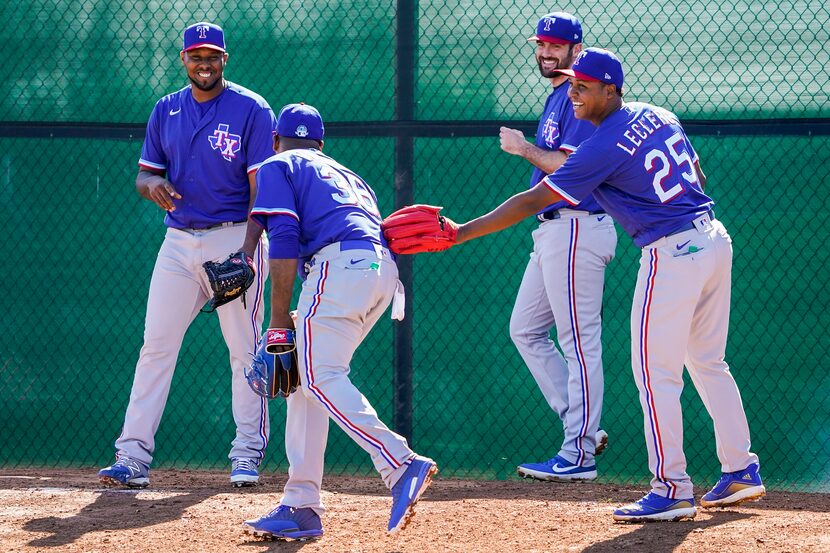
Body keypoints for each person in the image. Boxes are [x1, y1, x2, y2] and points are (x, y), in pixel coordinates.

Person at [400, 48, 765, 521]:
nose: (572, 92)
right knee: (709, 363)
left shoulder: (601, 146)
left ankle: (672, 487)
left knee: (656, 376)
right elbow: (696, 173)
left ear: (610, 90)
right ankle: (740, 469)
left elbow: (534, 198)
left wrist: (461, 232)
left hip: (672, 252)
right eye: (571, 83)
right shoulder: (658, 113)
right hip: (713, 239)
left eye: (584, 86)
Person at [239, 104, 437, 540]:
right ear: (321, 144)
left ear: (275, 139)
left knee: (317, 376)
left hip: (338, 268)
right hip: (379, 273)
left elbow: (285, 241)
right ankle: (301, 506)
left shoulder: (278, 163)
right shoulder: (350, 176)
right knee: (308, 385)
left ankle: (400, 463)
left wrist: (277, 320)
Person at [98, 22, 276, 488]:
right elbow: (144, 175)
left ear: (225, 59)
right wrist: (151, 185)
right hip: (178, 242)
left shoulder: (251, 109)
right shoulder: (166, 109)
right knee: (155, 347)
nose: (204, 63)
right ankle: (132, 457)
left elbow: (263, 190)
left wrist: (248, 253)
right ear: (183, 60)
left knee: (244, 352)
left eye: (212, 55)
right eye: (196, 55)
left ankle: (246, 455)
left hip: (233, 235)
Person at [500, 12, 616, 482]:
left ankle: (579, 453)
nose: (546, 52)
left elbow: (566, 170)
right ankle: (582, 424)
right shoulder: (559, 96)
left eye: (556, 45)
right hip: (553, 230)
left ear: (576, 49)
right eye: (541, 44)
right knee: (524, 329)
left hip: (577, 225)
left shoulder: (580, 96)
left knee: (578, 342)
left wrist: (524, 148)